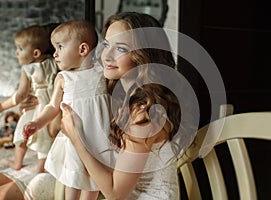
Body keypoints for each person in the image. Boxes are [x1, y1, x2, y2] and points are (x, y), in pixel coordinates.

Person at [60, 12, 190, 200]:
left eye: (121, 49)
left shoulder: (144, 115)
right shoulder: (127, 99)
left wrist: (76, 139)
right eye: (106, 45)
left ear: (144, 56)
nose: (107, 56)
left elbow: (115, 193)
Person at [23, 20, 111, 200]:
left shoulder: (101, 72)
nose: (54, 54)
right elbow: (52, 106)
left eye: (60, 47)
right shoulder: (63, 78)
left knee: (94, 181)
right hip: (74, 139)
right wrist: (37, 123)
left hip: (100, 138)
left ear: (83, 49)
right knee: (74, 178)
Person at [0, 24, 58, 173]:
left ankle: (17, 162)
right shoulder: (54, 62)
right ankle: (41, 167)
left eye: (20, 48)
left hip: (36, 105)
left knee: (22, 132)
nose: (16, 53)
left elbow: (20, 95)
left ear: (36, 53)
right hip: (51, 105)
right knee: (45, 137)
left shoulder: (28, 69)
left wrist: (2, 106)